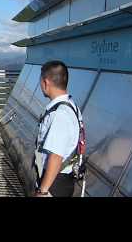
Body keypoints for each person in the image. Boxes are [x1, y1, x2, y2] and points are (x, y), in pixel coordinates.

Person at [34, 60, 82, 197]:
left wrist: (43, 191)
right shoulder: (71, 106)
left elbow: (56, 156)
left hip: (54, 183)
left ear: (46, 82)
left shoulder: (60, 114)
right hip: (56, 179)